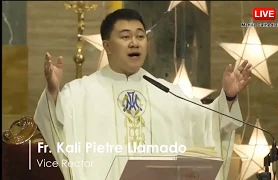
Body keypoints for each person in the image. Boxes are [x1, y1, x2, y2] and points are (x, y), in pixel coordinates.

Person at [34, 9, 252, 180]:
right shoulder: (81, 92)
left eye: (140, 36)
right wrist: (53, 91)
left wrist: (228, 96)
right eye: (125, 36)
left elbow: (208, 121)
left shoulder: (166, 92)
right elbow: (55, 123)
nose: (135, 42)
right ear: (107, 46)